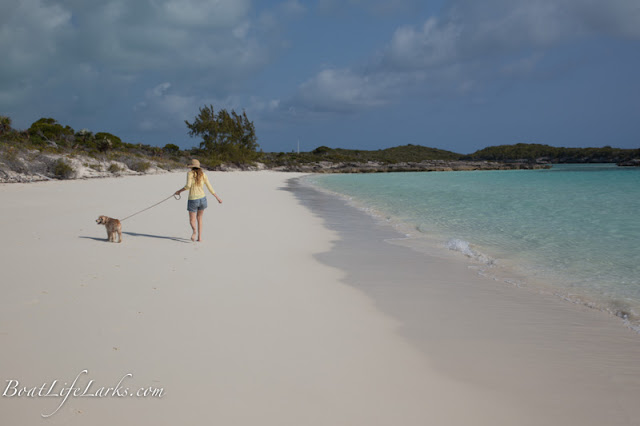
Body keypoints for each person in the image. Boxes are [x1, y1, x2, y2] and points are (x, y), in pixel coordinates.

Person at [174, 159, 222, 242]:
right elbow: (209, 187)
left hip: (193, 199)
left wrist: (179, 191)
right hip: (203, 199)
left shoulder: (190, 174)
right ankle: (199, 238)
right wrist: (217, 198)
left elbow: (188, 186)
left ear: (191, 167)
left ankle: (194, 231)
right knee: (200, 218)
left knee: (192, 220)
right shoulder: (203, 174)